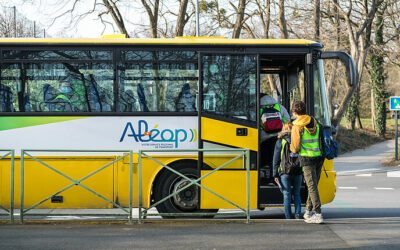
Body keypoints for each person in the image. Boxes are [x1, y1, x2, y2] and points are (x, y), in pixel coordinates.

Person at [290, 100, 324, 224]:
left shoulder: (297, 126)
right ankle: (308, 211)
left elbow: (295, 147)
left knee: (311, 186)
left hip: (307, 159)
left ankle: (318, 213)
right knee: (313, 185)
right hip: (319, 157)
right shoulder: (314, 121)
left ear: (294, 112)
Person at [272, 123, 302, 219]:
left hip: (285, 172)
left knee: (286, 194)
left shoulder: (280, 141)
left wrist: (275, 174)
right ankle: (297, 215)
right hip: (298, 170)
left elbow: (276, 159)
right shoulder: (298, 139)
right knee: (297, 193)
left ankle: (288, 217)